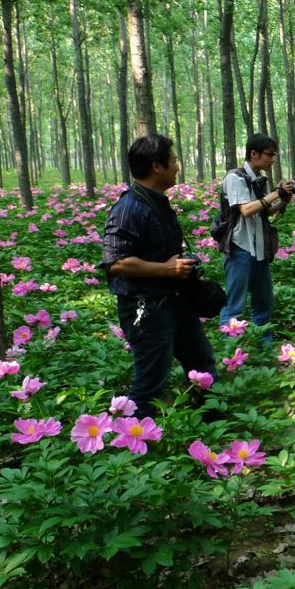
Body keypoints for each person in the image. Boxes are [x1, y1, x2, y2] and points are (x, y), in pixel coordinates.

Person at [102, 134, 217, 420]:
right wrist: (167, 269)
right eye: (174, 160)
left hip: (177, 302)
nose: (178, 166)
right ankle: (135, 445)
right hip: (148, 308)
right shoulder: (128, 208)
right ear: (157, 166)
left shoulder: (156, 201)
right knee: (151, 383)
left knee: (203, 366)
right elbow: (115, 262)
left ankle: (214, 428)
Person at [218, 134, 295, 341]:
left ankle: (264, 351)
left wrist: (282, 201)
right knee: (235, 305)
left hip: (260, 248)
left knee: (263, 304)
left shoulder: (261, 180)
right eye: (269, 155)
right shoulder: (234, 178)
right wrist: (274, 193)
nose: (272, 160)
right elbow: (246, 209)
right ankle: (230, 352)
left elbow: (264, 211)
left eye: (274, 155)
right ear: (253, 154)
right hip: (239, 248)